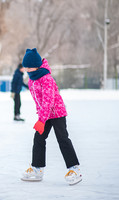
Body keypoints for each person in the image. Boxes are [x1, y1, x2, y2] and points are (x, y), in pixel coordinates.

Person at [20, 48, 82, 185]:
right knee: (38, 138)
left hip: (57, 113)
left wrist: (41, 120)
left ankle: (74, 169)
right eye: (26, 67)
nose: (27, 70)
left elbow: (48, 101)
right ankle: (37, 168)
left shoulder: (46, 78)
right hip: (44, 114)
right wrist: (40, 117)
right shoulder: (32, 80)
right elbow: (39, 102)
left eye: (29, 67)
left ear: (36, 65)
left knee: (62, 139)